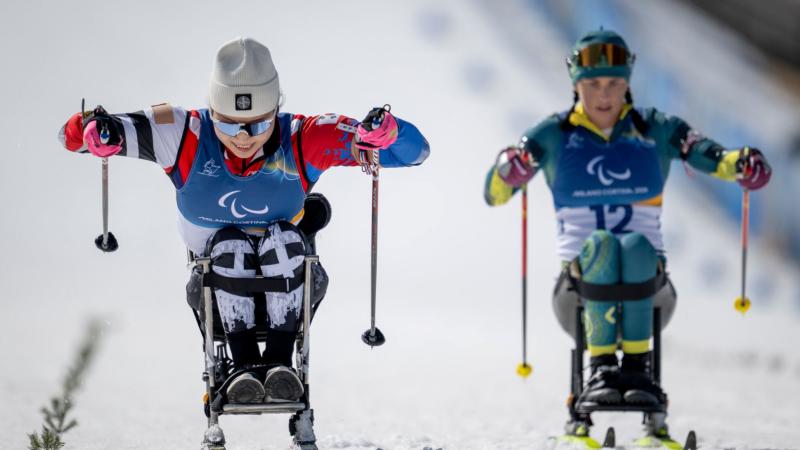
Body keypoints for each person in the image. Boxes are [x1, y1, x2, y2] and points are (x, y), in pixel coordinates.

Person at [59, 37, 429, 405]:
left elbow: (413, 153)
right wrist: (93, 129)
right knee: (229, 243)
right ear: (211, 112)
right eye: (228, 124)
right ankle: (243, 364)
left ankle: (280, 364)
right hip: (212, 286)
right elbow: (73, 138)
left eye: (256, 125)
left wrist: (389, 131)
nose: (242, 138)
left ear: (276, 110)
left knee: (280, 237)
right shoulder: (181, 133)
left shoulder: (304, 138)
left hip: (292, 278)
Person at [484, 29, 770, 437]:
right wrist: (506, 171)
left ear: (628, 82)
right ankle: (600, 371)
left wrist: (741, 164)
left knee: (635, 246)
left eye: (615, 84)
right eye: (593, 84)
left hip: (651, 291)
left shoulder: (654, 129)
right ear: (575, 84)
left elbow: (715, 158)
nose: (604, 95)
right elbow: (493, 194)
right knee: (600, 246)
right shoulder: (553, 135)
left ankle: (638, 373)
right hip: (576, 296)